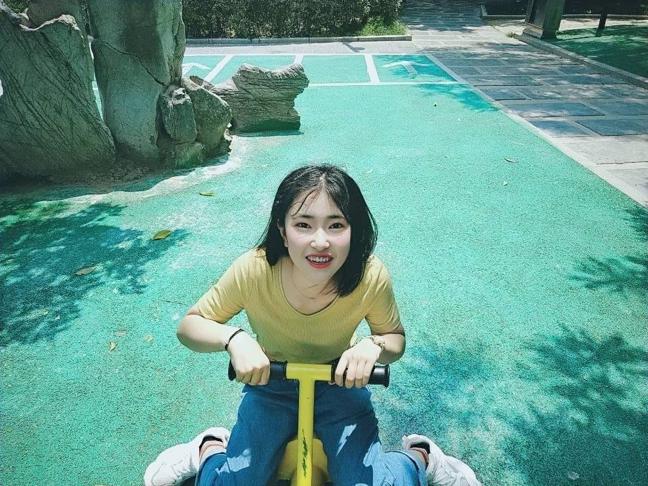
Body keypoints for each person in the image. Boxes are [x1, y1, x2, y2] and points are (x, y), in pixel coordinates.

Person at [144, 165, 481, 486]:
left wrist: (373, 345)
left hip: (340, 382)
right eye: (303, 225)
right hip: (271, 383)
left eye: (336, 225)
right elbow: (190, 326)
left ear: (353, 230)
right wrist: (233, 337)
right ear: (282, 230)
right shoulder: (254, 270)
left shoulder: (369, 275)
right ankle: (208, 448)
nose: (320, 242)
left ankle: (421, 456)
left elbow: (395, 338)